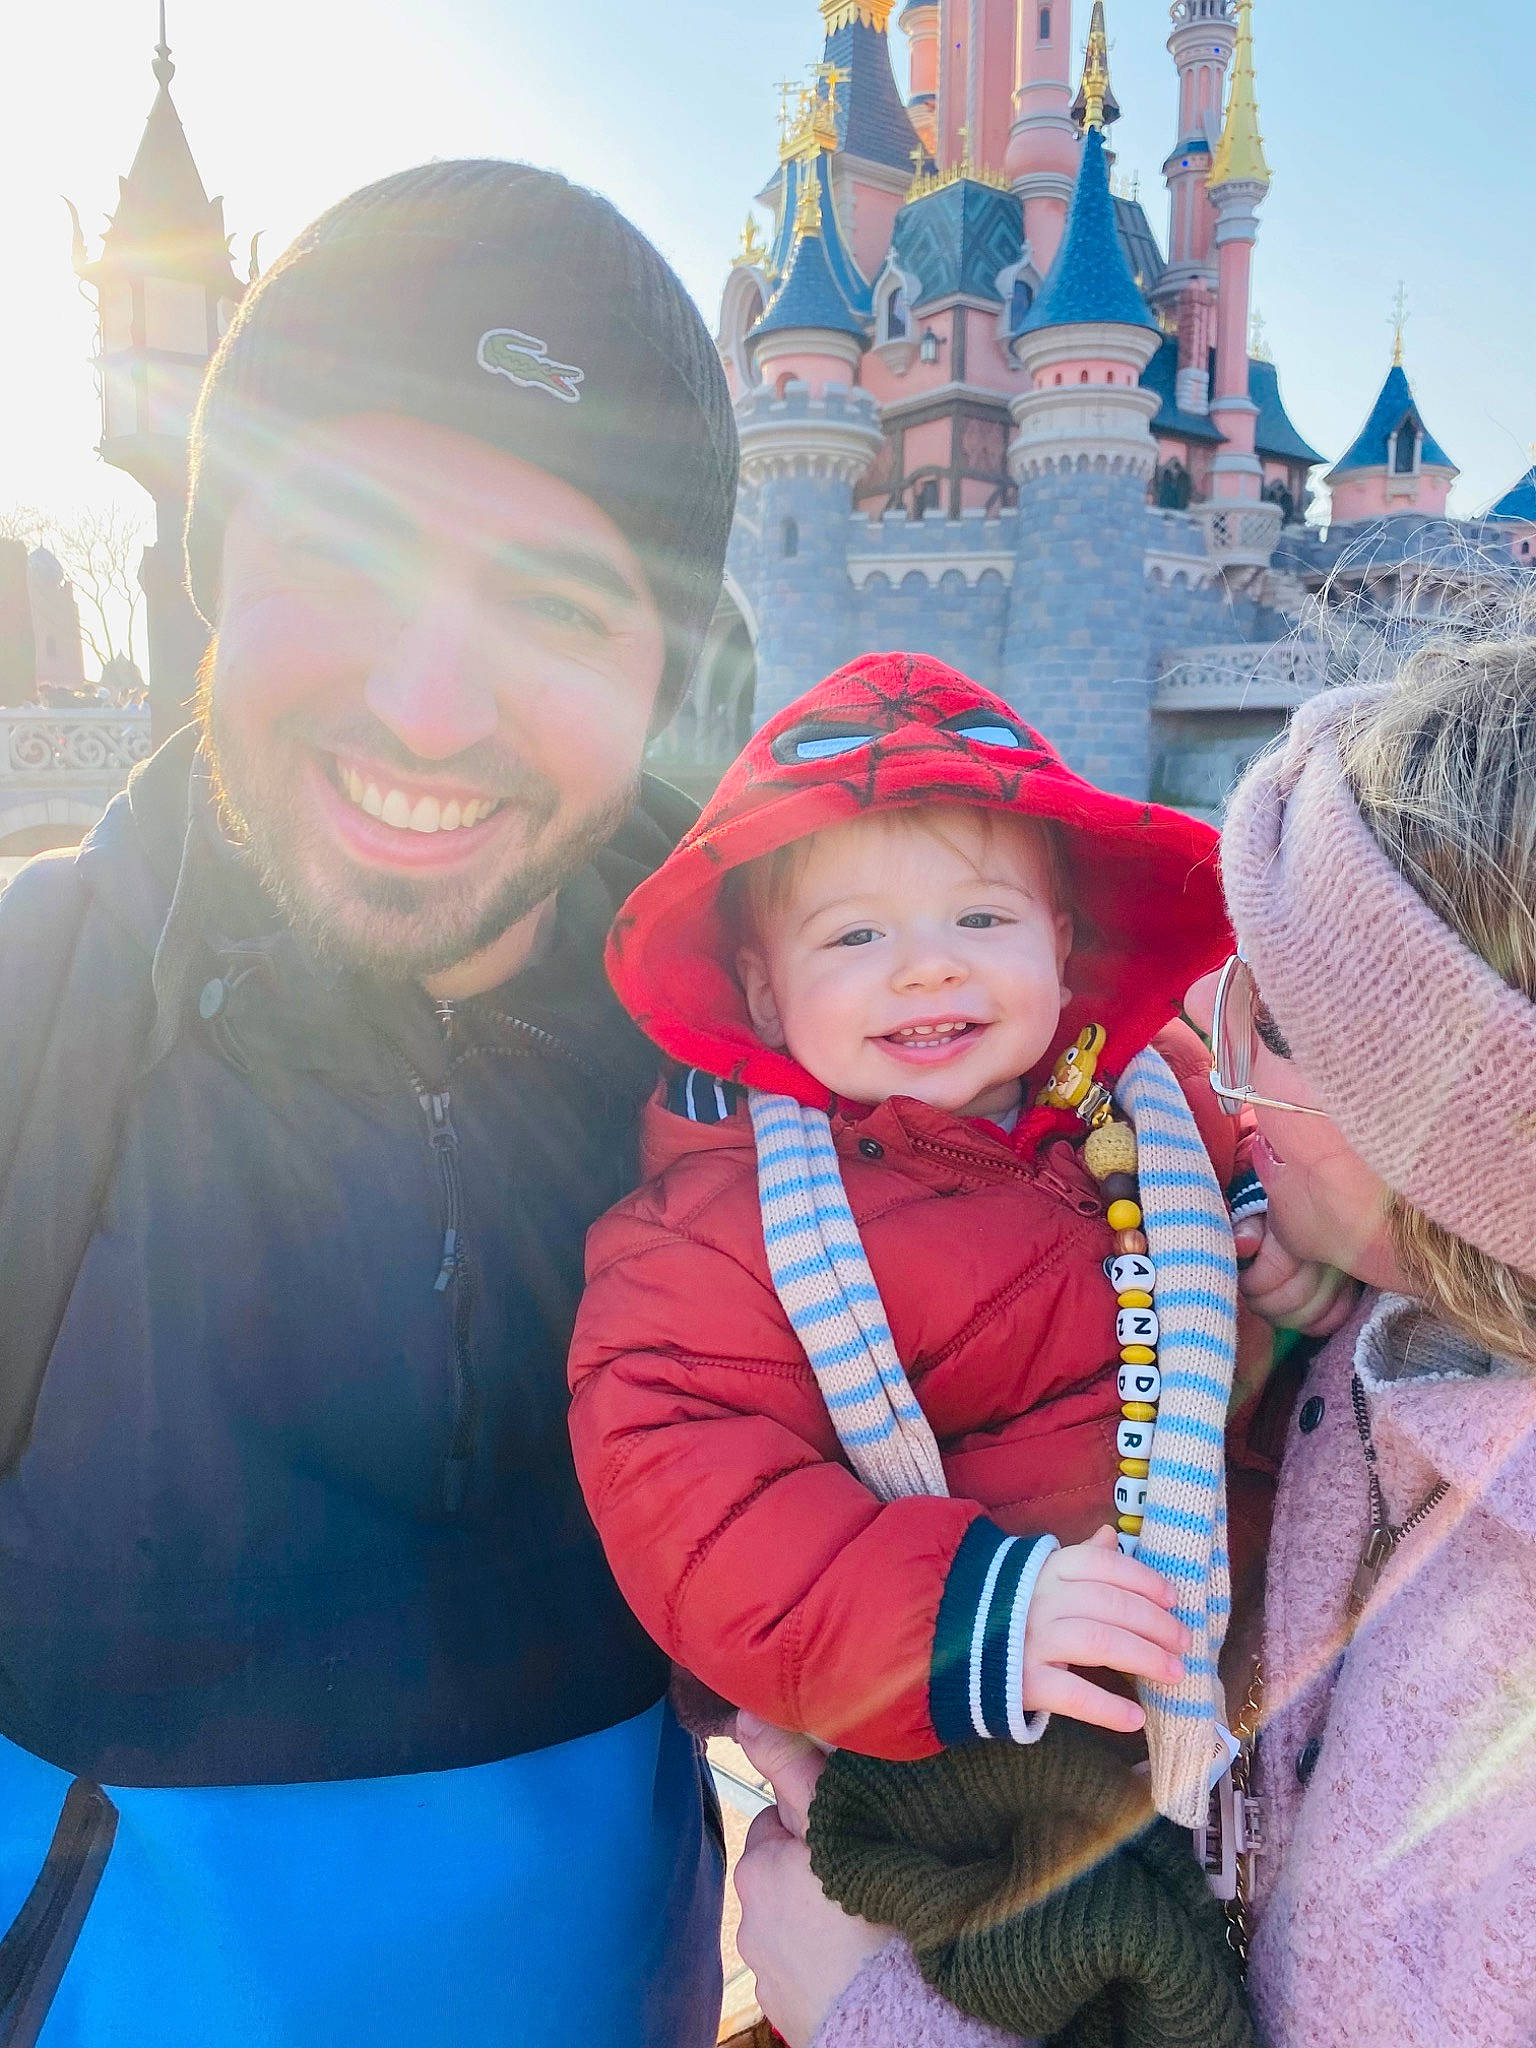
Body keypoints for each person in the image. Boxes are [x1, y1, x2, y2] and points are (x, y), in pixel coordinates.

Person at [0, 161, 737, 2047]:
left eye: (562, 610)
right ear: (212, 568)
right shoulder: (28, 1026)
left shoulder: (757, 1092)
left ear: (670, 673)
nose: (426, 708)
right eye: (348, 554)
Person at [734, 629, 1536, 2048]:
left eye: (1276, 1019)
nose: (1199, 1022)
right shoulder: (1398, 1323)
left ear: (1461, 1139)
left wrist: (862, 2014)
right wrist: (1310, 1293)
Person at [566, 651, 1238, 1768]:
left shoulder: (1164, 1101)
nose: (927, 968)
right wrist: (968, 1618)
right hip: (963, 1735)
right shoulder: (711, 1234)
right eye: (855, 935)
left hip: (1227, 1678)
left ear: (1062, 948)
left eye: (981, 918)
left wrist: (1274, 1228)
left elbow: (1260, 1150)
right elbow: (685, 1497)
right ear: (766, 991)